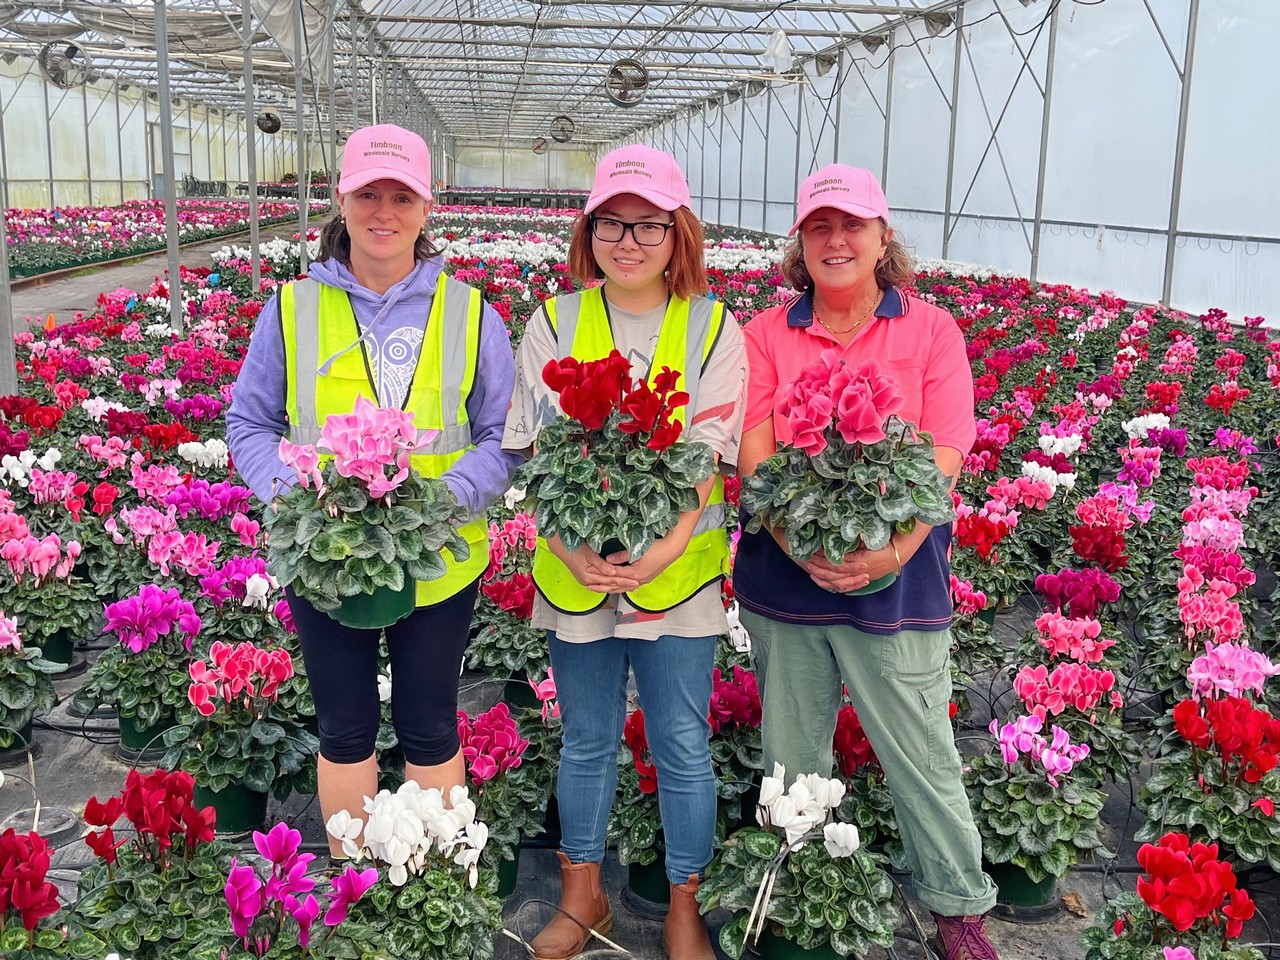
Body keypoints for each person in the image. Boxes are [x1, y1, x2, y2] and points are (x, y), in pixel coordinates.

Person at [227, 124, 520, 860]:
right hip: (326, 557)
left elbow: (505, 435)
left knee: (430, 721)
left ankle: (432, 877)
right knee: (345, 724)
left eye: (401, 197)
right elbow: (250, 422)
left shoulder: (470, 312)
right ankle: (358, 886)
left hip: (442, 556)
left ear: (428, 208)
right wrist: (295, 493)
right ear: (341, 200)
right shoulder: (292, 308)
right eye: (368, 194)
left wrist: (446, 497)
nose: (383, 212)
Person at [733, 164, 1000, 960]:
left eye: (854, 225)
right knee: (793, 754)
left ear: (884, 239)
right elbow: (753, 456)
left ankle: (957, 905)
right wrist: (800, 545)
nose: (837, 239)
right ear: (800, 243)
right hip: (786, 581)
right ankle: (804, 894)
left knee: (921, 751)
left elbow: (948, 449)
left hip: (900, 583)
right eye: (821, 226)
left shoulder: (930, 330)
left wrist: (892, 548)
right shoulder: (766, 334)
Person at [503, 144, 746, 960]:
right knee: (587, 738)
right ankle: (583, 896)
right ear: (590, 229)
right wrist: (571, 551)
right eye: (612, 222)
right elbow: (536, 451)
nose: (629, 240)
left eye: (648, 224)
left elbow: (711, 453)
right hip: (574, 573)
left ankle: (685, 902)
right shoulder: (553, 321)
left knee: (680, 742)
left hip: (676, 577)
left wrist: (668, 543)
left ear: (679, 234)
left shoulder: (713, 324)